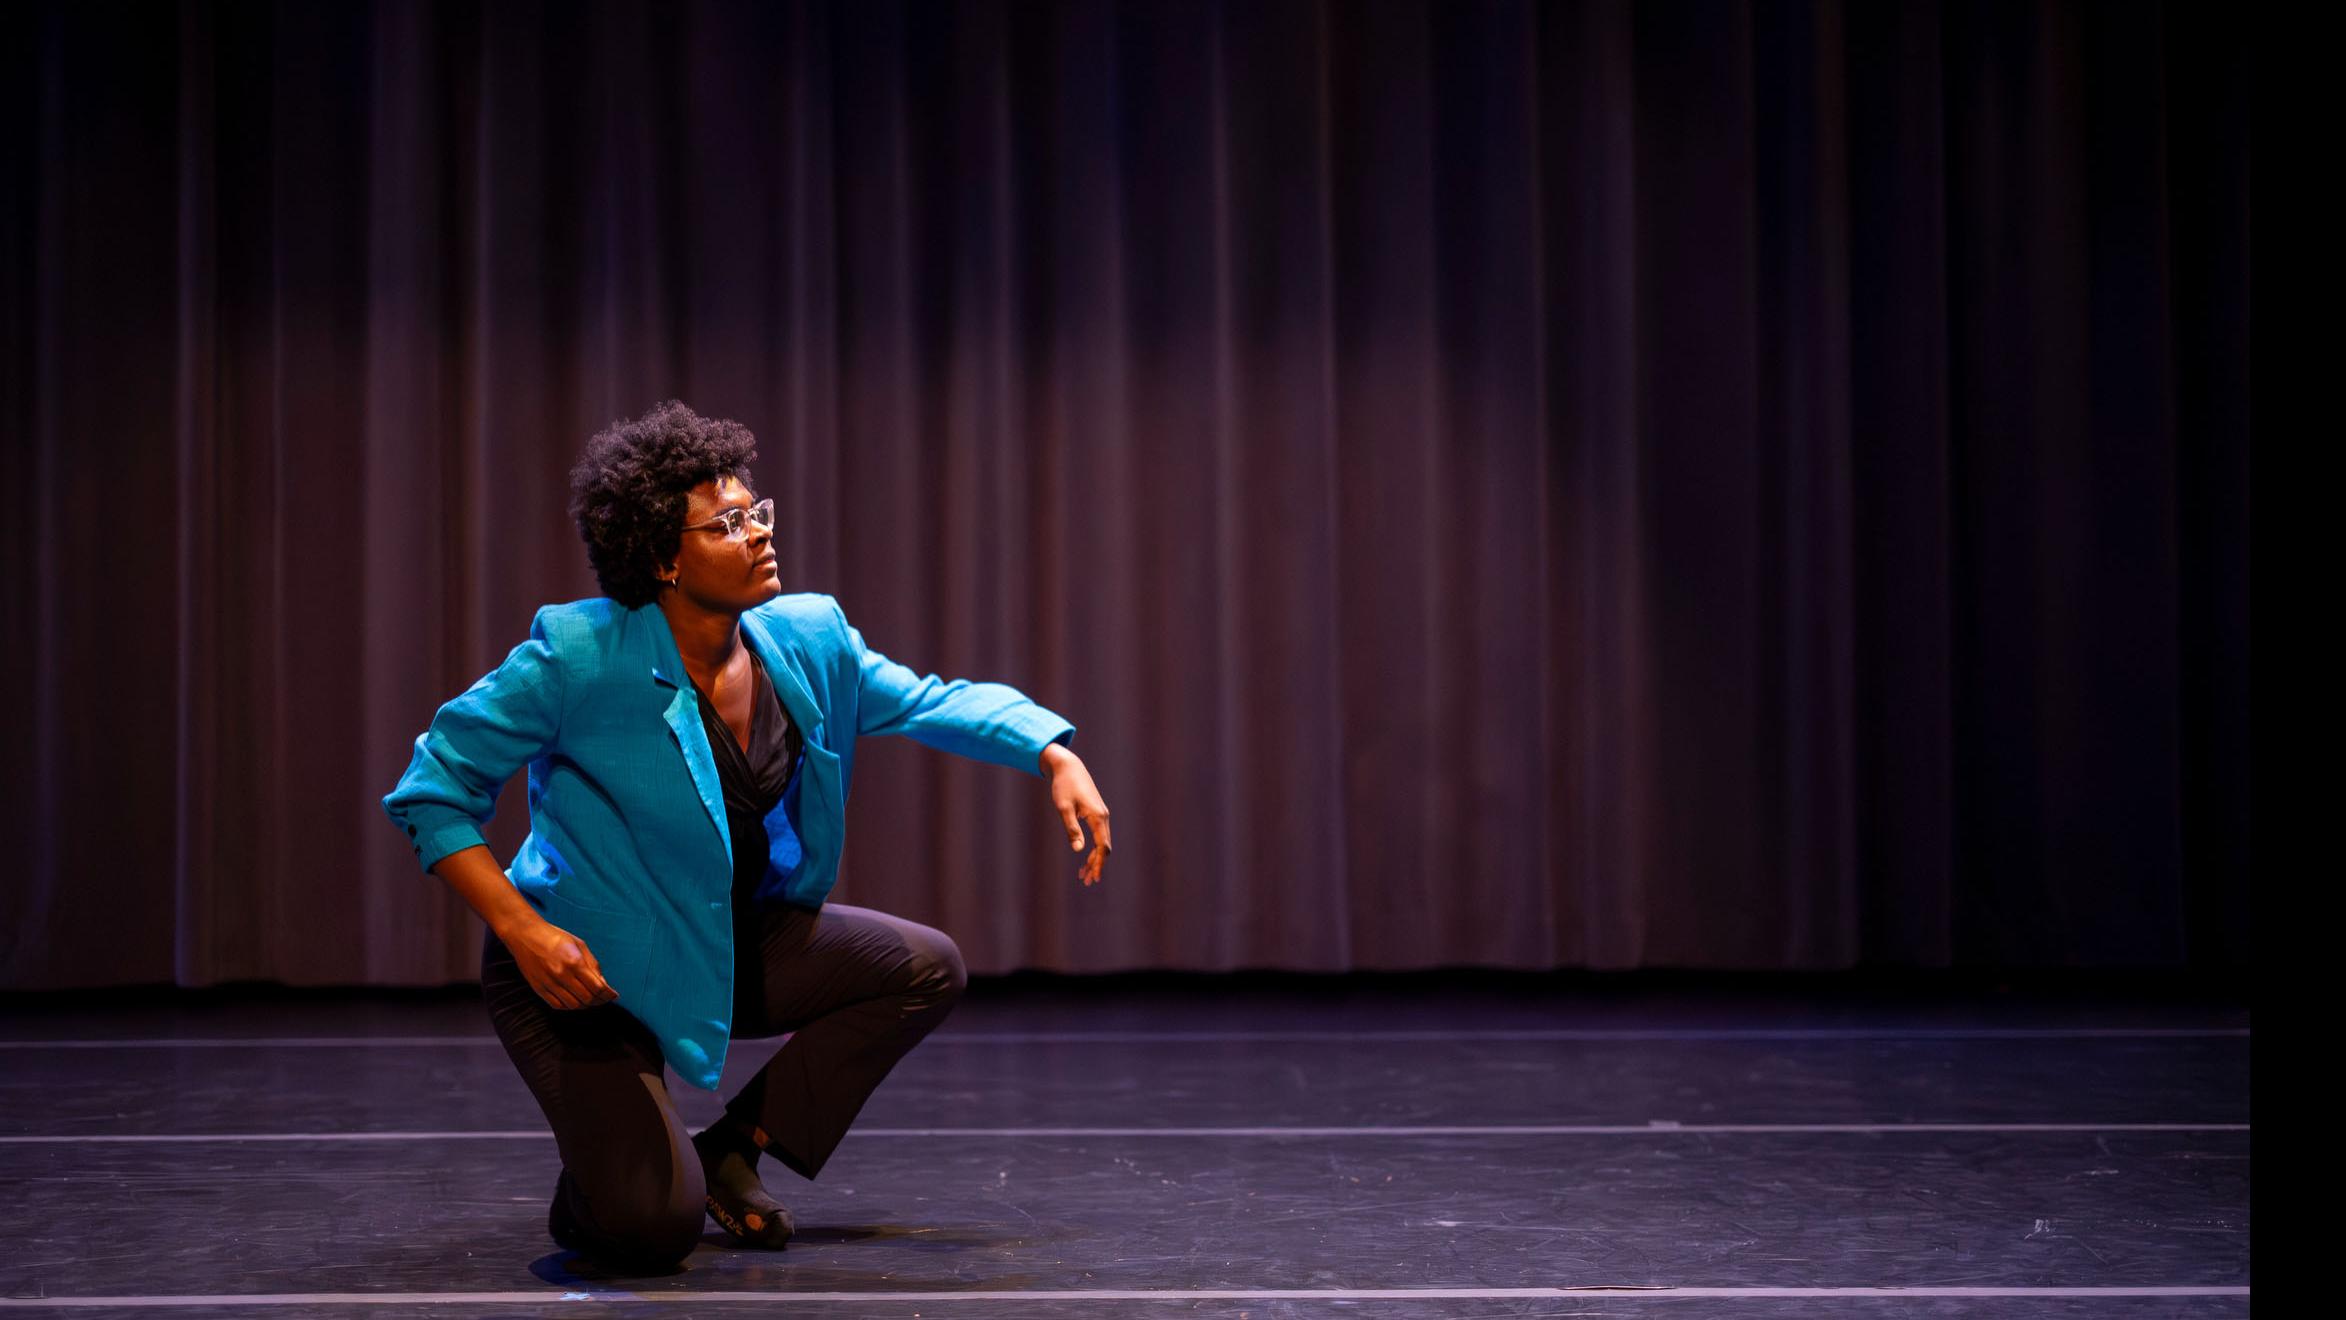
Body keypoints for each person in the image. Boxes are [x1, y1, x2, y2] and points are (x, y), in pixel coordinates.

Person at [381, 399, 1113, 1273]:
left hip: (721, 945)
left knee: (923, 967)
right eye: (727, 525)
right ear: (662, 557)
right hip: (583, 971)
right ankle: (615, 1178)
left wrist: (1050, 750)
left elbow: (927, 699)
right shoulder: (579, 655)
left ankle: (732, 1149)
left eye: (755, 512)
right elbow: (433, 789)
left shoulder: (805, 637)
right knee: (652, 1232)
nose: (760, 533)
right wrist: (523, 929)